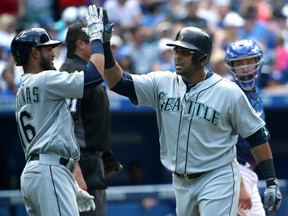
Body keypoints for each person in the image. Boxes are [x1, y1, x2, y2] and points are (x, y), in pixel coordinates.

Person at [101, 19, 282, 216]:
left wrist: (271, 181)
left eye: (185, 52)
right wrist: (104, 48)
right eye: (176, 50)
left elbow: (256, 135)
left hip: (217, 176)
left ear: (203, 58)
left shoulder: (228, 92)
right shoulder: (162, 82)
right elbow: (117, 83)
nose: (178, 56)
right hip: (181, 181)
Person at [11, 5, 105, 215]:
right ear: (34, 53)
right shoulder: (44, 79)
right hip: (50, 169)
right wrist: (97, 38)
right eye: (47, 49)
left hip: (36, 173)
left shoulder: (22, 89)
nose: (53, 53)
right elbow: (93, 76)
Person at [59, 19, 123, 216]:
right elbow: (64, 124)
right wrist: (75, 168)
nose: (98, 47)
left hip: (92, 162)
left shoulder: (85, 70)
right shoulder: (71, 71)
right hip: (81, 165)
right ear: (80, 43)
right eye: (93, 42)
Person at [225, 39, 267, 216]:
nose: (245, 67)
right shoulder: (228, 93)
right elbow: (224, 143)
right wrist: (239, 183)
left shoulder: (254, 91)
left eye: (249, 61)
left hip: (247, 170)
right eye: (239, 63)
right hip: (234, 170)